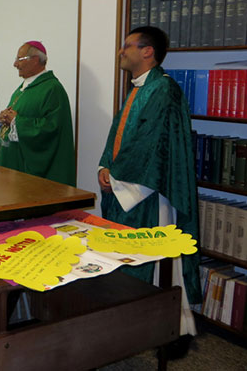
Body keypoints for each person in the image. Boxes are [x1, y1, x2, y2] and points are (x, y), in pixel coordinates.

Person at [98, 26, 200, 353]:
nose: (120, 51)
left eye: (127, 46)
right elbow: (120, 134)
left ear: (147, 51)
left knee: (159, 261)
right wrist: (104, 166)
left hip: (149, 192)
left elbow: (151, 144)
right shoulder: (139, 89)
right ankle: (139, 327)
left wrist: (116, 176)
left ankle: (171, 331)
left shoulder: (163, 90)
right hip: (129, 184)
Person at [0, 41, 76, 186]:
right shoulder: (22, 89)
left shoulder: (52, 89)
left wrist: (15, 122)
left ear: (36, 60)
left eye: (19, 59)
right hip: (11, 166)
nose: (15, 64)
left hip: (29, 173)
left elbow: (51, 130)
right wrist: (3, 119)